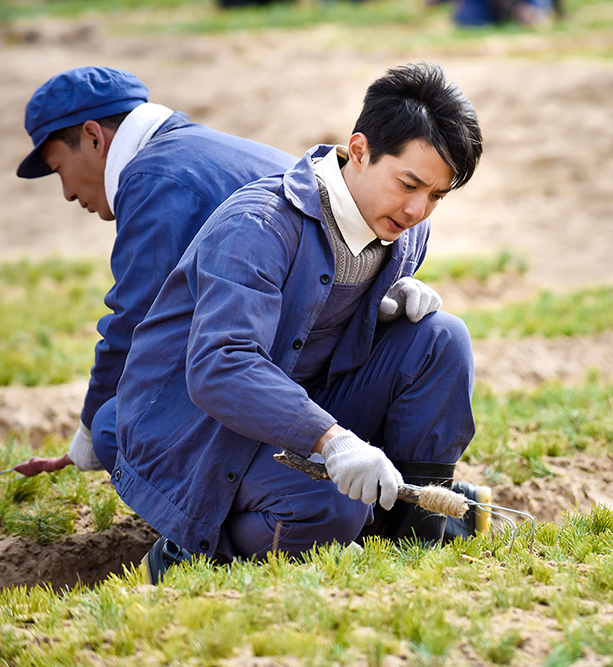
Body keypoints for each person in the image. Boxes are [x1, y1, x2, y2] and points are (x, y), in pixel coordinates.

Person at [108, 62, 486, 582]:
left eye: (437, 196)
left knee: (441, 339)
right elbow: (222, 367)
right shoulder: (259, 226)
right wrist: (333, 441)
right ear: (358, 150)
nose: (419, 209)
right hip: (197, 434)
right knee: (331, 507)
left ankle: (407, 524)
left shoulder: (403, 229)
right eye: (410, 184)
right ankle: (190, 552)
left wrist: (376, 306)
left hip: (295, 410)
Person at [16, 67, 296, 476]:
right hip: (326, 353)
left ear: (95, 138)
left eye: (60, 170)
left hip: (292, 373)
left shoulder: (153, 178)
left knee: (119, 425)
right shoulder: (208, 149)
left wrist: (90, 432)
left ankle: (208, 530)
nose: (68, 193)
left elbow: (134, 323)